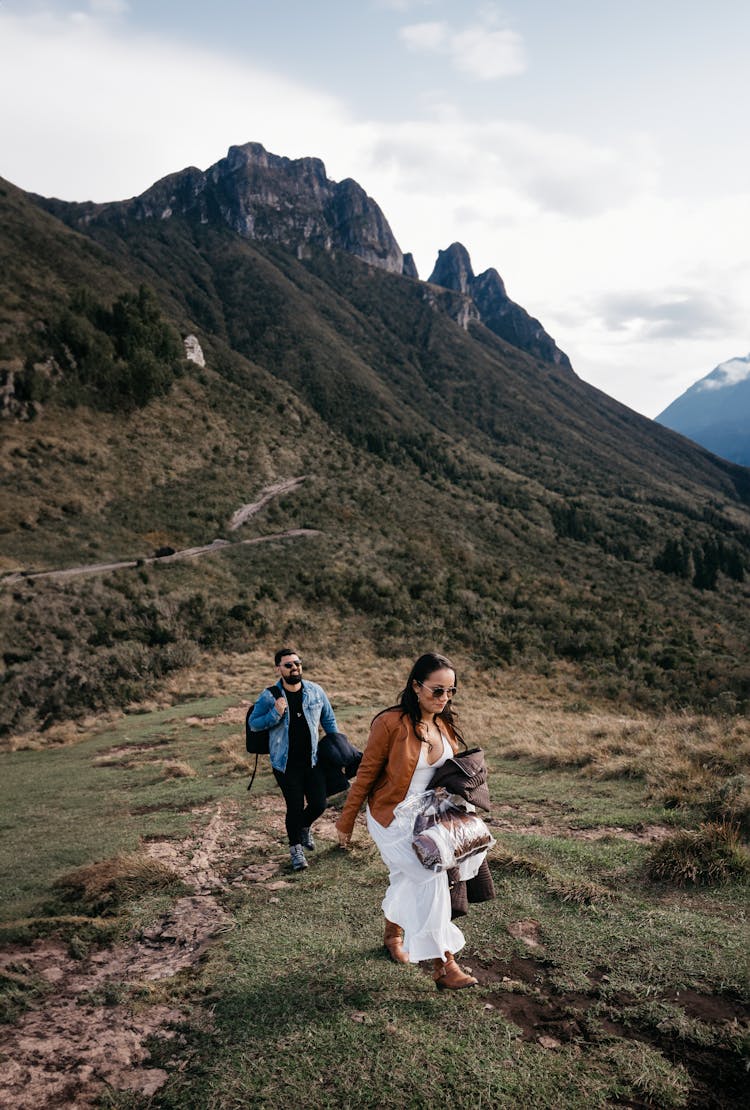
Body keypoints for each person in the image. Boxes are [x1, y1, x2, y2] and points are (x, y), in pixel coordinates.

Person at [336, 651, 484, 990]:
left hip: (431, 816)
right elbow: (367, 773)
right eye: (437, 691)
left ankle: (392, 935)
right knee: (430, 874)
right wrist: (346, 821)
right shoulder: (389, 723)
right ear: (416, 686)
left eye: (451, 692)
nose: (444, 699)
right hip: (392, 817)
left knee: (408, 877)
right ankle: (444, 964)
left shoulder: (444, 724)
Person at [249, 648, 338, 872]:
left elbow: (329, 721)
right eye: (288, 664)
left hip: (312, 760)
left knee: (319, 803)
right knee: (295, 807)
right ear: (278, 668)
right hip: (285, 764)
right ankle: (296, 850)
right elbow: (254, 723)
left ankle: (304, 827)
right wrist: (275, 714)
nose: (294, 667)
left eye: (297, 663)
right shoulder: (269, 696)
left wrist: (337, 745)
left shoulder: (316, 691)